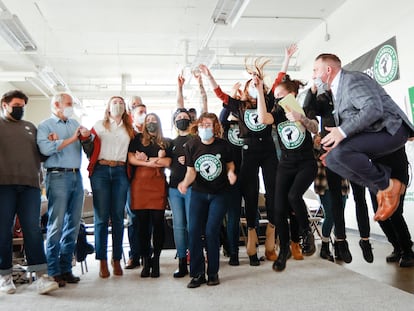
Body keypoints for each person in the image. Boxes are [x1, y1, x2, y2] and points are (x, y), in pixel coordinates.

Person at [199, 44, 297, 265]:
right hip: (248, 151)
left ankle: (272, 238)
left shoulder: (268, 100)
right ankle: (252, 244)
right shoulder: (239, 106)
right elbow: (220, 95)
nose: (253, 87)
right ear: (245, 89)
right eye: (250, 85)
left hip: (268, 150)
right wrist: (209, 76)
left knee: (273, 191)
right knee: (251, 194)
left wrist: (286, 58)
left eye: (256, 84)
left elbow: (280, 77)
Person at [313, 53, 414, 221]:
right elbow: (357, 120)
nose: (313, 75)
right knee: (332, 160)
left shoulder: (352, 80)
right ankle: (383, 187)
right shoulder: (337, 90)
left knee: (340, 154)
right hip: (375, 133)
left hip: (392, 130)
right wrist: (338, 140)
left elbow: (373, 109)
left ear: (328, 70)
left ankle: (388, 186)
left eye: (316, 70)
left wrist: (342, 132)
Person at [256, 74, 318, 271]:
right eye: (275, 96)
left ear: (292, 94)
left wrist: (301, 118)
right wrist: (259, 90)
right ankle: (284, 250)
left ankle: (306, 232)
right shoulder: (278, 112)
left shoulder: (305, 108)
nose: (277, 99)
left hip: (306, 163)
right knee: (278, 208)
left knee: (294, 196)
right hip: (286, 164)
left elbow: (316, 128)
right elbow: (262, 118)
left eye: (281, 95)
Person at [0, 90, 59, 295]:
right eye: (16, 105)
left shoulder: (30, 128)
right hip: (4, 185)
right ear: (4, 104)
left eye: (23, 106)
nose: (20, 109)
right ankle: (5, 276)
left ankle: (40, 276)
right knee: (3, 231)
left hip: (30, 186)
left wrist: (50, 141)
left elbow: (42, 155)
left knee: (32, 230)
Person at [178, 112, 236, 288]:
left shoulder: (224, 146)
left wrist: (231, 173)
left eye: (209, 125)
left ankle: (213, 273)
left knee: (211, 231)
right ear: (197, 126)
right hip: (198, 193)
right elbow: (191, 171)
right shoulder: (191, 145)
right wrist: (185, 183)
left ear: (215, 127)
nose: (205, 128)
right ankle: (197, 274)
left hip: (219, 193)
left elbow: (230, 164)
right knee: (193, 230)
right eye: (202, 125)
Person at [37, 93, 87, 287]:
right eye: (68, 104)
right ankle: (53, 270)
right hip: (57, 176)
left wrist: (84, 136)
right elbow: (46, 150)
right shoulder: (45, 125)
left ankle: (66, 268)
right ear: (56, 104)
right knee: (56, 224)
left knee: (73, 225)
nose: (71, 107)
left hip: (76, 175)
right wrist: (69, 140)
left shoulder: (75, 124)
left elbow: (84, 143)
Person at [81, 96, 134, 278]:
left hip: (120, 171)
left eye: (120, 103)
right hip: (101, 172)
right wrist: (86, 137)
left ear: (124, 108)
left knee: (118, 218)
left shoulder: (129, 129)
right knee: (101, 218)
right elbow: (88, 148)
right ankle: (102, 260)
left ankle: (116, 259)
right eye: (114, 103)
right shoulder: (99, 125)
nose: (117, 105)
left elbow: (133, 151)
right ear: (108, 108)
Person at [128, 113, 172, 278]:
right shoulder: (137, 139)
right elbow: (131, 158)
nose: (151, 122)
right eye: (148, 120)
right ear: (144, 124)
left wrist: (148, 158)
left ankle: (157, 261)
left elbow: (168, 162)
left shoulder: (166, 141)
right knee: (141, 227)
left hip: (158, 184)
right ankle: (146, 260)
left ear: (159, 122)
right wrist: (150, 162)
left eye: (154, 120)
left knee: (158, 225)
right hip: (140, 185)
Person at [124, 97, 147, 270]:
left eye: (145, 112)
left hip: (149, 182)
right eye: (140, 112)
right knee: (133, 219)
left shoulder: (151, 133)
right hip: (131, 181)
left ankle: (148, 253)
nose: (144, 115)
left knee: (148, 219)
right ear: (132, 115)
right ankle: (134, 255)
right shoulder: (127, 133)